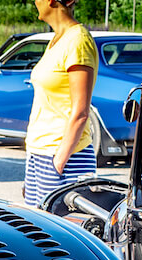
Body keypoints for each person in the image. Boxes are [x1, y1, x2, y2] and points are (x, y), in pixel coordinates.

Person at [23, 0, 99, 208]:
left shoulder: (78, 40)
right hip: (40, 154)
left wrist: (58, 163)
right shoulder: (57, 40)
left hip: (64, 158)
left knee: (58, 236)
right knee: (37, 234)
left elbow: (81, 112)